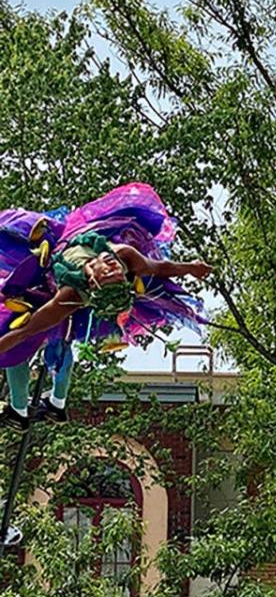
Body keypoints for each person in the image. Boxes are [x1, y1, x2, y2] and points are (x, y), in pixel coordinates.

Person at [0, 183, 210, 429]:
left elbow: (26, 330)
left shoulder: (69, 296)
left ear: (93, 281)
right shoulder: (124, 255)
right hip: (68, 238)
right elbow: (161, 267)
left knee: (22, 341)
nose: (113, 267)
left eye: (109, 274)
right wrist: (192, 268)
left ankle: (33, 408)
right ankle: (47, 405)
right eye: (118, 274)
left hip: (44, 285)